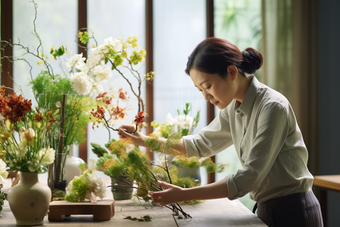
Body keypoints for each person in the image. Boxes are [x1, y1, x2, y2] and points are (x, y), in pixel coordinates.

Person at [118, 37, 323, 227]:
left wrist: (183, 194)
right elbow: (197, 146)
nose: (206, 97)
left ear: (232, 72)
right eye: (201, 90)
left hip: (295, 211)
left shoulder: (272, 107)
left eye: (208, 86)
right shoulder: (234, 108)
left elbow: (249, 177)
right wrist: (142, 140)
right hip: (266, 209)